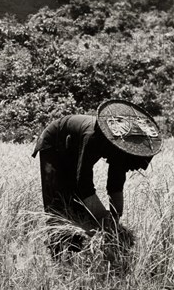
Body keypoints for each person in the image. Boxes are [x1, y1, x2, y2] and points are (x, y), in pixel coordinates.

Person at [32, 100, 162, 257]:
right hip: (54, 146)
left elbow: (115, 185)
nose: (138, 168)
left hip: (72, 151)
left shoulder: (119, 151)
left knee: (79, 207)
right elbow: (83, 183)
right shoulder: (92, 137)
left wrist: (115, 221)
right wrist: (103, 219)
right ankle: (58, 256)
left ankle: (76, 252)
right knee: (59, 202)